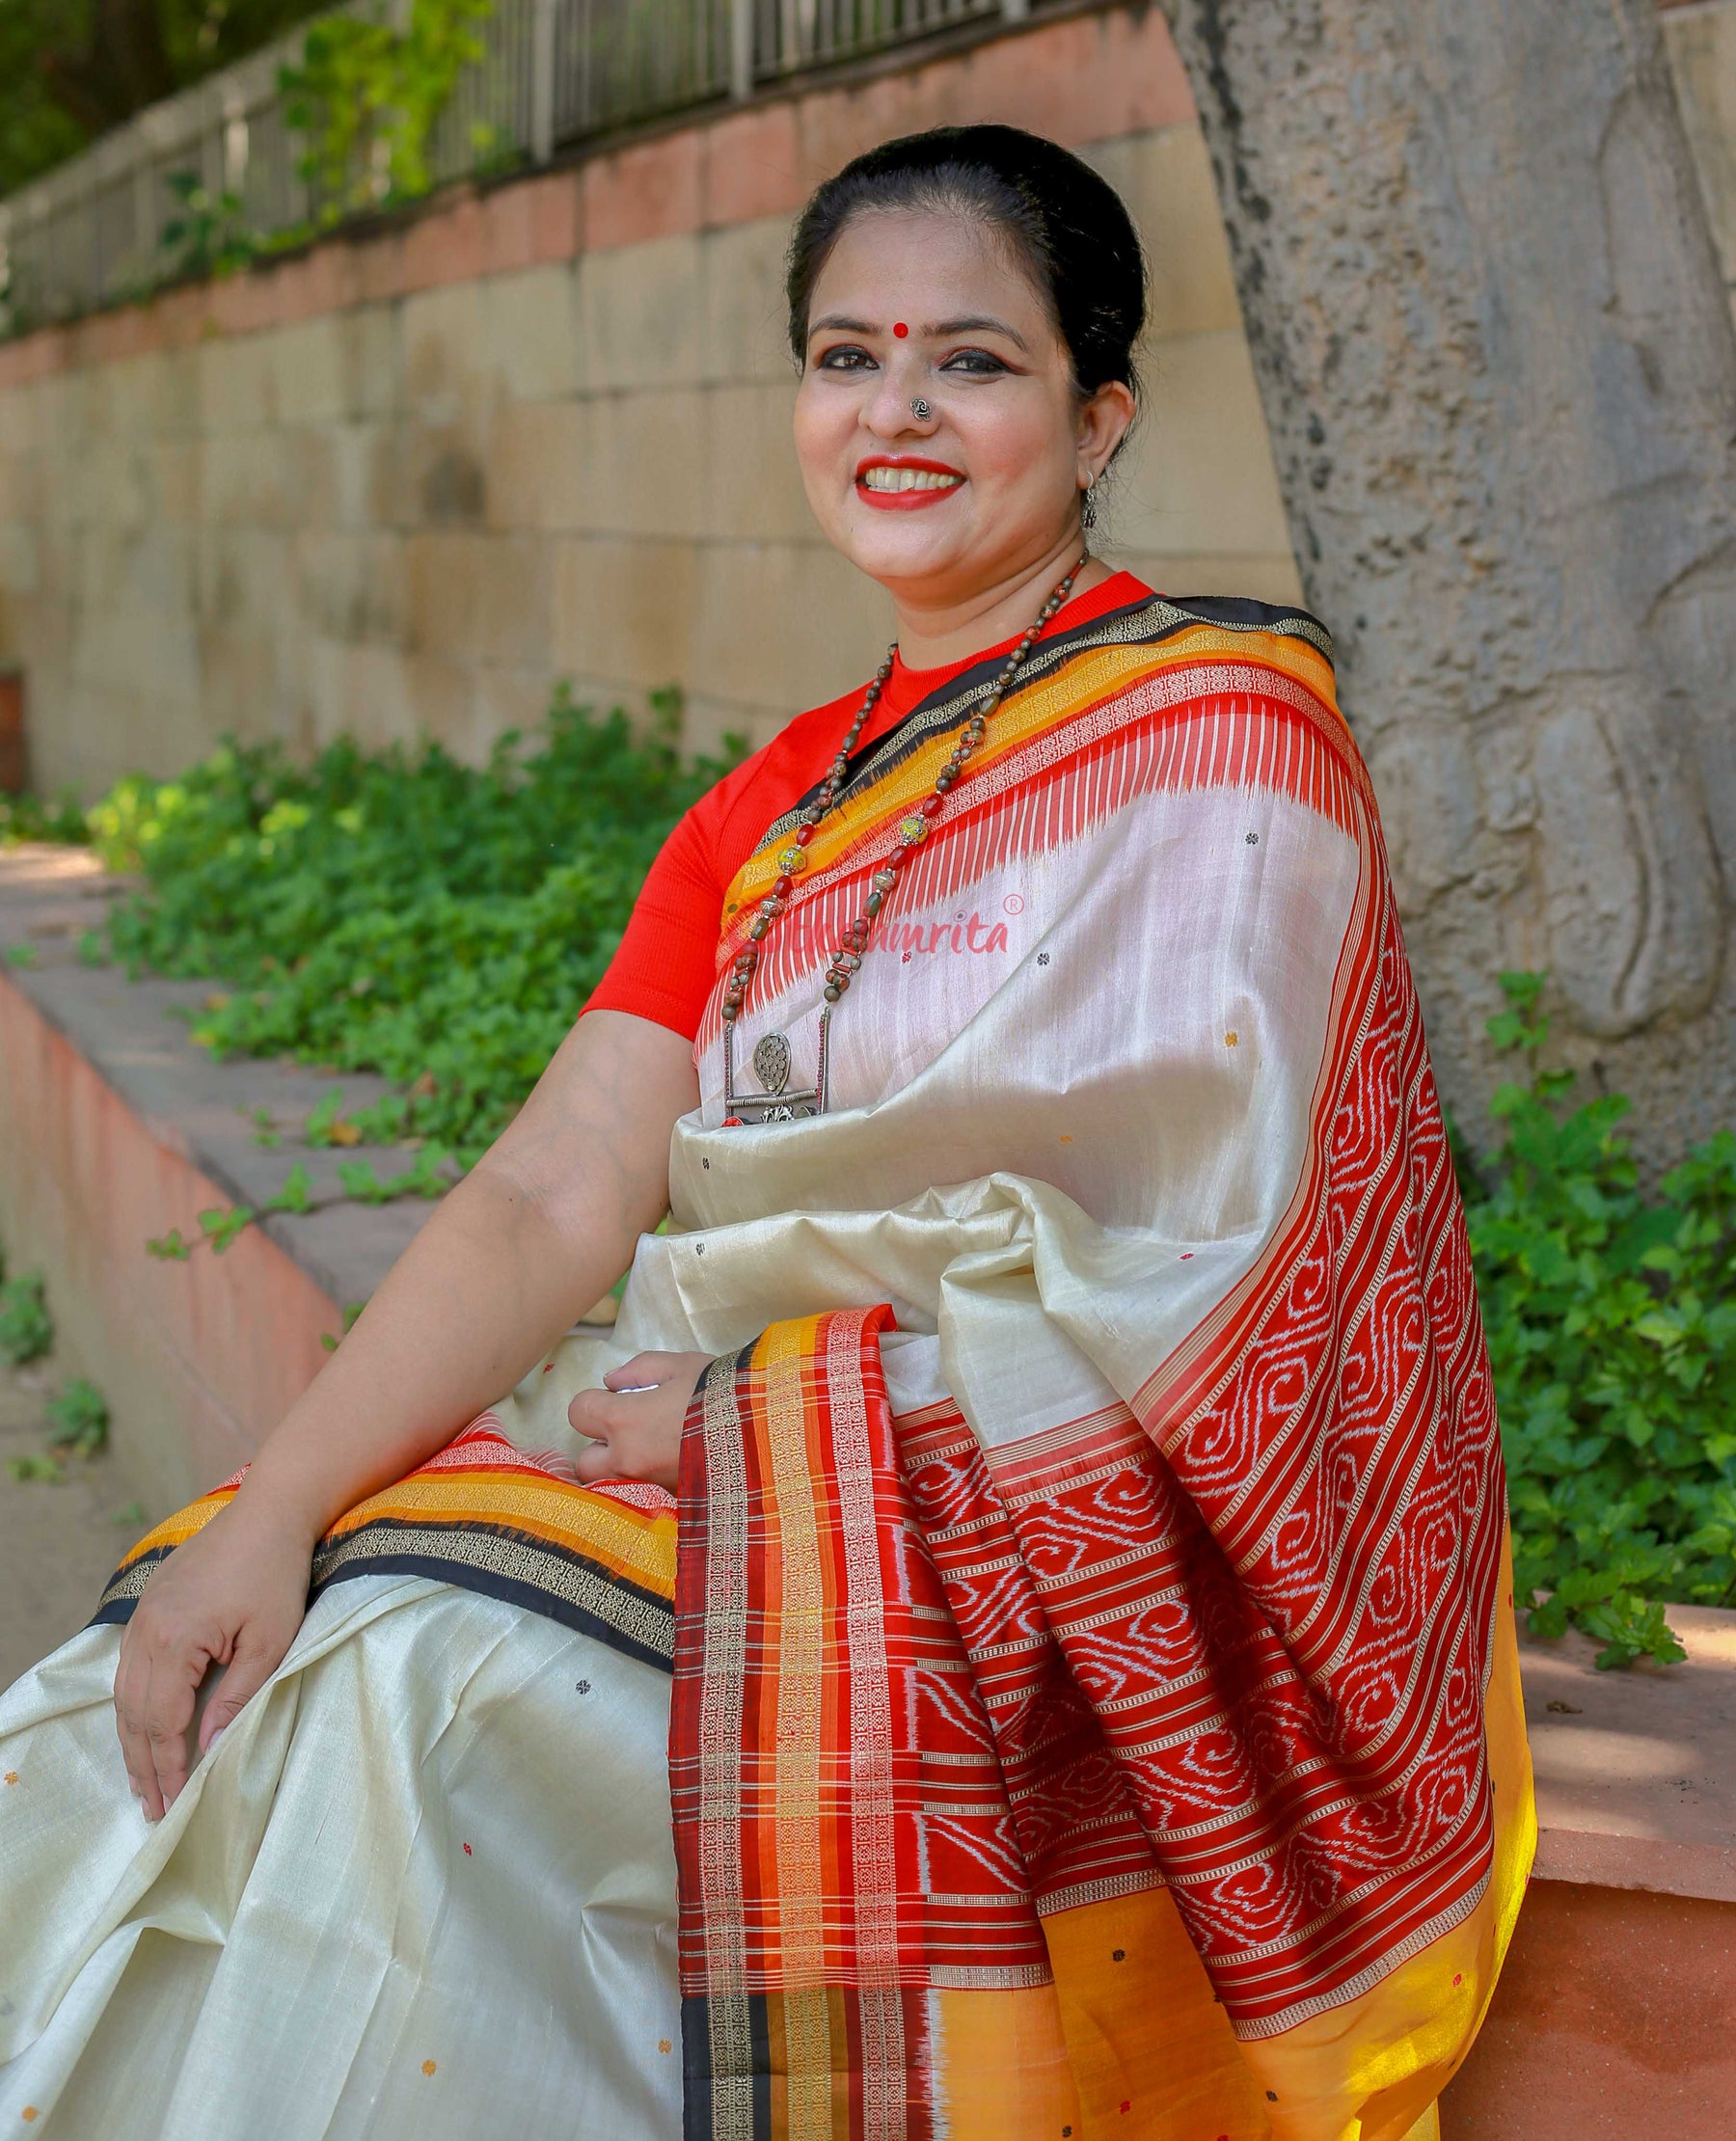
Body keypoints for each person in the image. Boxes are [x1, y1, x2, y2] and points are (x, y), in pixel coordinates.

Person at [0, 125, 1533, 2141]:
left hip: (1010, 1531)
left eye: (970, 360)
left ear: (1099, 414)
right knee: (125, 1730)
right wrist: (274, 1510)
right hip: (687, 1454)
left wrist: (775, 1423)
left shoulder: (1225, 732)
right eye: (844, 353)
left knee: (412, 1724)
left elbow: (1241, 1273)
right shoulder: (771, 809)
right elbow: (557, 1184)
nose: (894, 408)